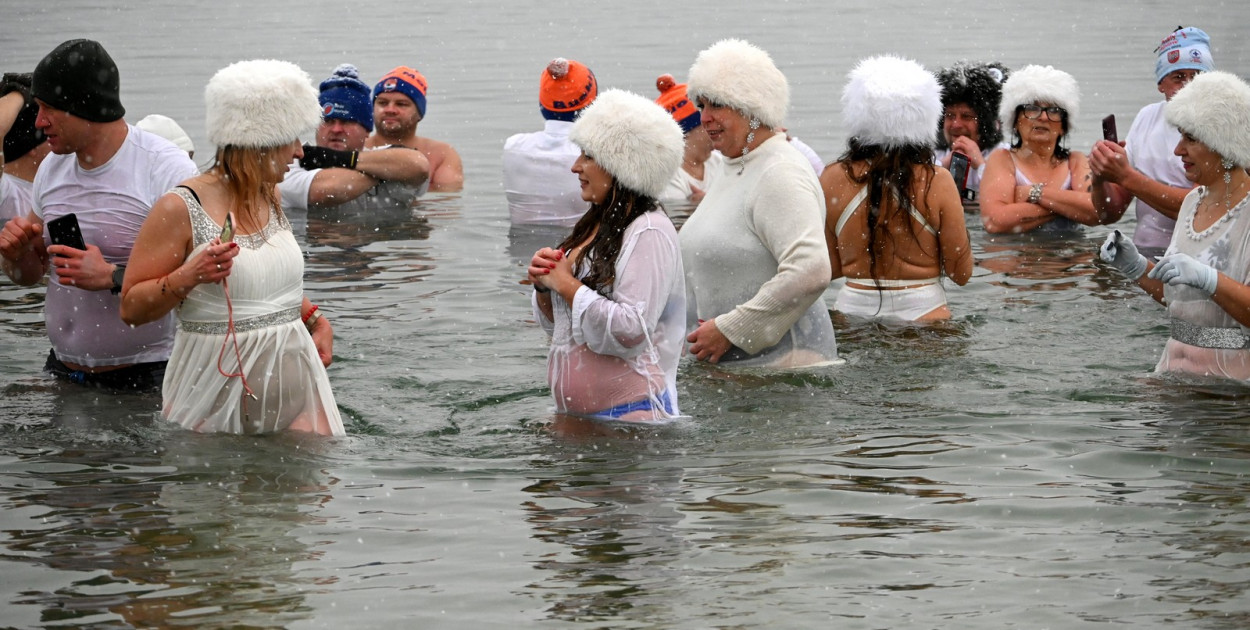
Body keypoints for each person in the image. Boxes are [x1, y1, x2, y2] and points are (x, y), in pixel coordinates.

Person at [119, 59, 344, 436]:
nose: (299, 152)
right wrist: (189, 275)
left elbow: (266, 281)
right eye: (291, 138)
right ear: (260, 142)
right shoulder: (179, 207)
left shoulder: (270, 194)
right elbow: (130, 308)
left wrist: (315, 320)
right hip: (210, 403)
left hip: (299, 398)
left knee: (317, 491)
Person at [0, 39, 197, 390]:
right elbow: (30, 276)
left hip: (145, 379)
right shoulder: (52, 168)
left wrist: (113, 276)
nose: (39, 123)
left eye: (47, 109)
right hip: (62, 373)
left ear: (83, 106)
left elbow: (206, 276)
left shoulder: (164, 168)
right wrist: (16, 256)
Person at [527, 89, 685, 422]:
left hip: (632, 420)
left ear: (622, 165)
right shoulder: (594, 225)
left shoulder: (650, 229)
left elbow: (632, 330)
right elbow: (563, 325)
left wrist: (567, 284)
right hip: (582, 421)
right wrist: (545, 286)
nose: (575, 166)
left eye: (588, 156)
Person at [679, 39, 838, 368]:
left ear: (753, 109)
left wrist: (729, 330)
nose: (704, 118)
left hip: (784, 376)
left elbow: (812, 270)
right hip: (741, 377)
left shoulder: (780, 171)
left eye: (717, 105)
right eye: (701, 104)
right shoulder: (735, 166)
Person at [1099, 71, 1250, 381]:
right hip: (1174, 372)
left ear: (1223, 141)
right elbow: (1180, 300)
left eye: (1190, 138)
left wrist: (1210, 280)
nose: (1178, 150)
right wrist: (1136, 267)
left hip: (1230, 388)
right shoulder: (1192, 202)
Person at [824, 55, 973, 323]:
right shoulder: (937, 181)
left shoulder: (833, 177)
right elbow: (960, 274)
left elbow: (830, 269)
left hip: (852, 313)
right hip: (925, 315)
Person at [1090, 27, 1212, 258]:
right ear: (1161, 84)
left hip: (1197, 257)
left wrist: (1125, 175)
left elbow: (1198, 208)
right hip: (1143, 253)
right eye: (1179, 77)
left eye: (1198, 76)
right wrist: (1100, 178)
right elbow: (1109, 214)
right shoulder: (1147, 117)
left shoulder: (1219, 126)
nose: (1189, 86)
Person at [279, 64, 430, 212]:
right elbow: (326, 191)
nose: (336, 129)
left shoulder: (379, 156)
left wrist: (337, 158)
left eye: (347, 122)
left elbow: (419, 165)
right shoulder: (289, 164)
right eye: (328, 121)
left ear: (366, 130)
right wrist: (385, 173)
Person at [981, 64, 1099, 234]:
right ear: (1015, 120)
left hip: (1071, 256)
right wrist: (1068, 205)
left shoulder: (1076, 161)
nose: (1043, 117)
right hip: (1016, 256)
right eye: (1032, 108)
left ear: (1064, 126)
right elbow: (996, 221)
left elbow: (1096, 211)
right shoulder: (1002, 159)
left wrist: (1034, 193)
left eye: (1054, 110)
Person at [503, 57, 597, 227]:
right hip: (576, 251)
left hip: (521, 250)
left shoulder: (513, 147)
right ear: (593, 106)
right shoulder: (595, 157)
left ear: (542, 104)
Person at [366, 66, 463, 192]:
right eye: (383, 103)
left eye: (401, 104)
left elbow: (445, 203)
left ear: (419, 113)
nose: (390, 110)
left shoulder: (441, 155)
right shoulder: (357, 148)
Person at [933, 61, 1010, 207]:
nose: (956, 124)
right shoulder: (931, 156)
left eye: (966, 116)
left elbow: (1008, 197)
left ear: (985, 122)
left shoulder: (1006, 155)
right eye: (950, 116)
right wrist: (940, 167)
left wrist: (981, 165)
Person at [653, 73, 722, 212]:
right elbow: (677, 225)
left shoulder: (718, 162)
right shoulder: (667, 177)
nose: (717, 129)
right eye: (707, 125)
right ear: (684, 134)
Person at [0, 72, 49, 222]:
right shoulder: (5, 191)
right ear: (32, 148)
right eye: (49, 136)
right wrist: (20, 92)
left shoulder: (51, 188)